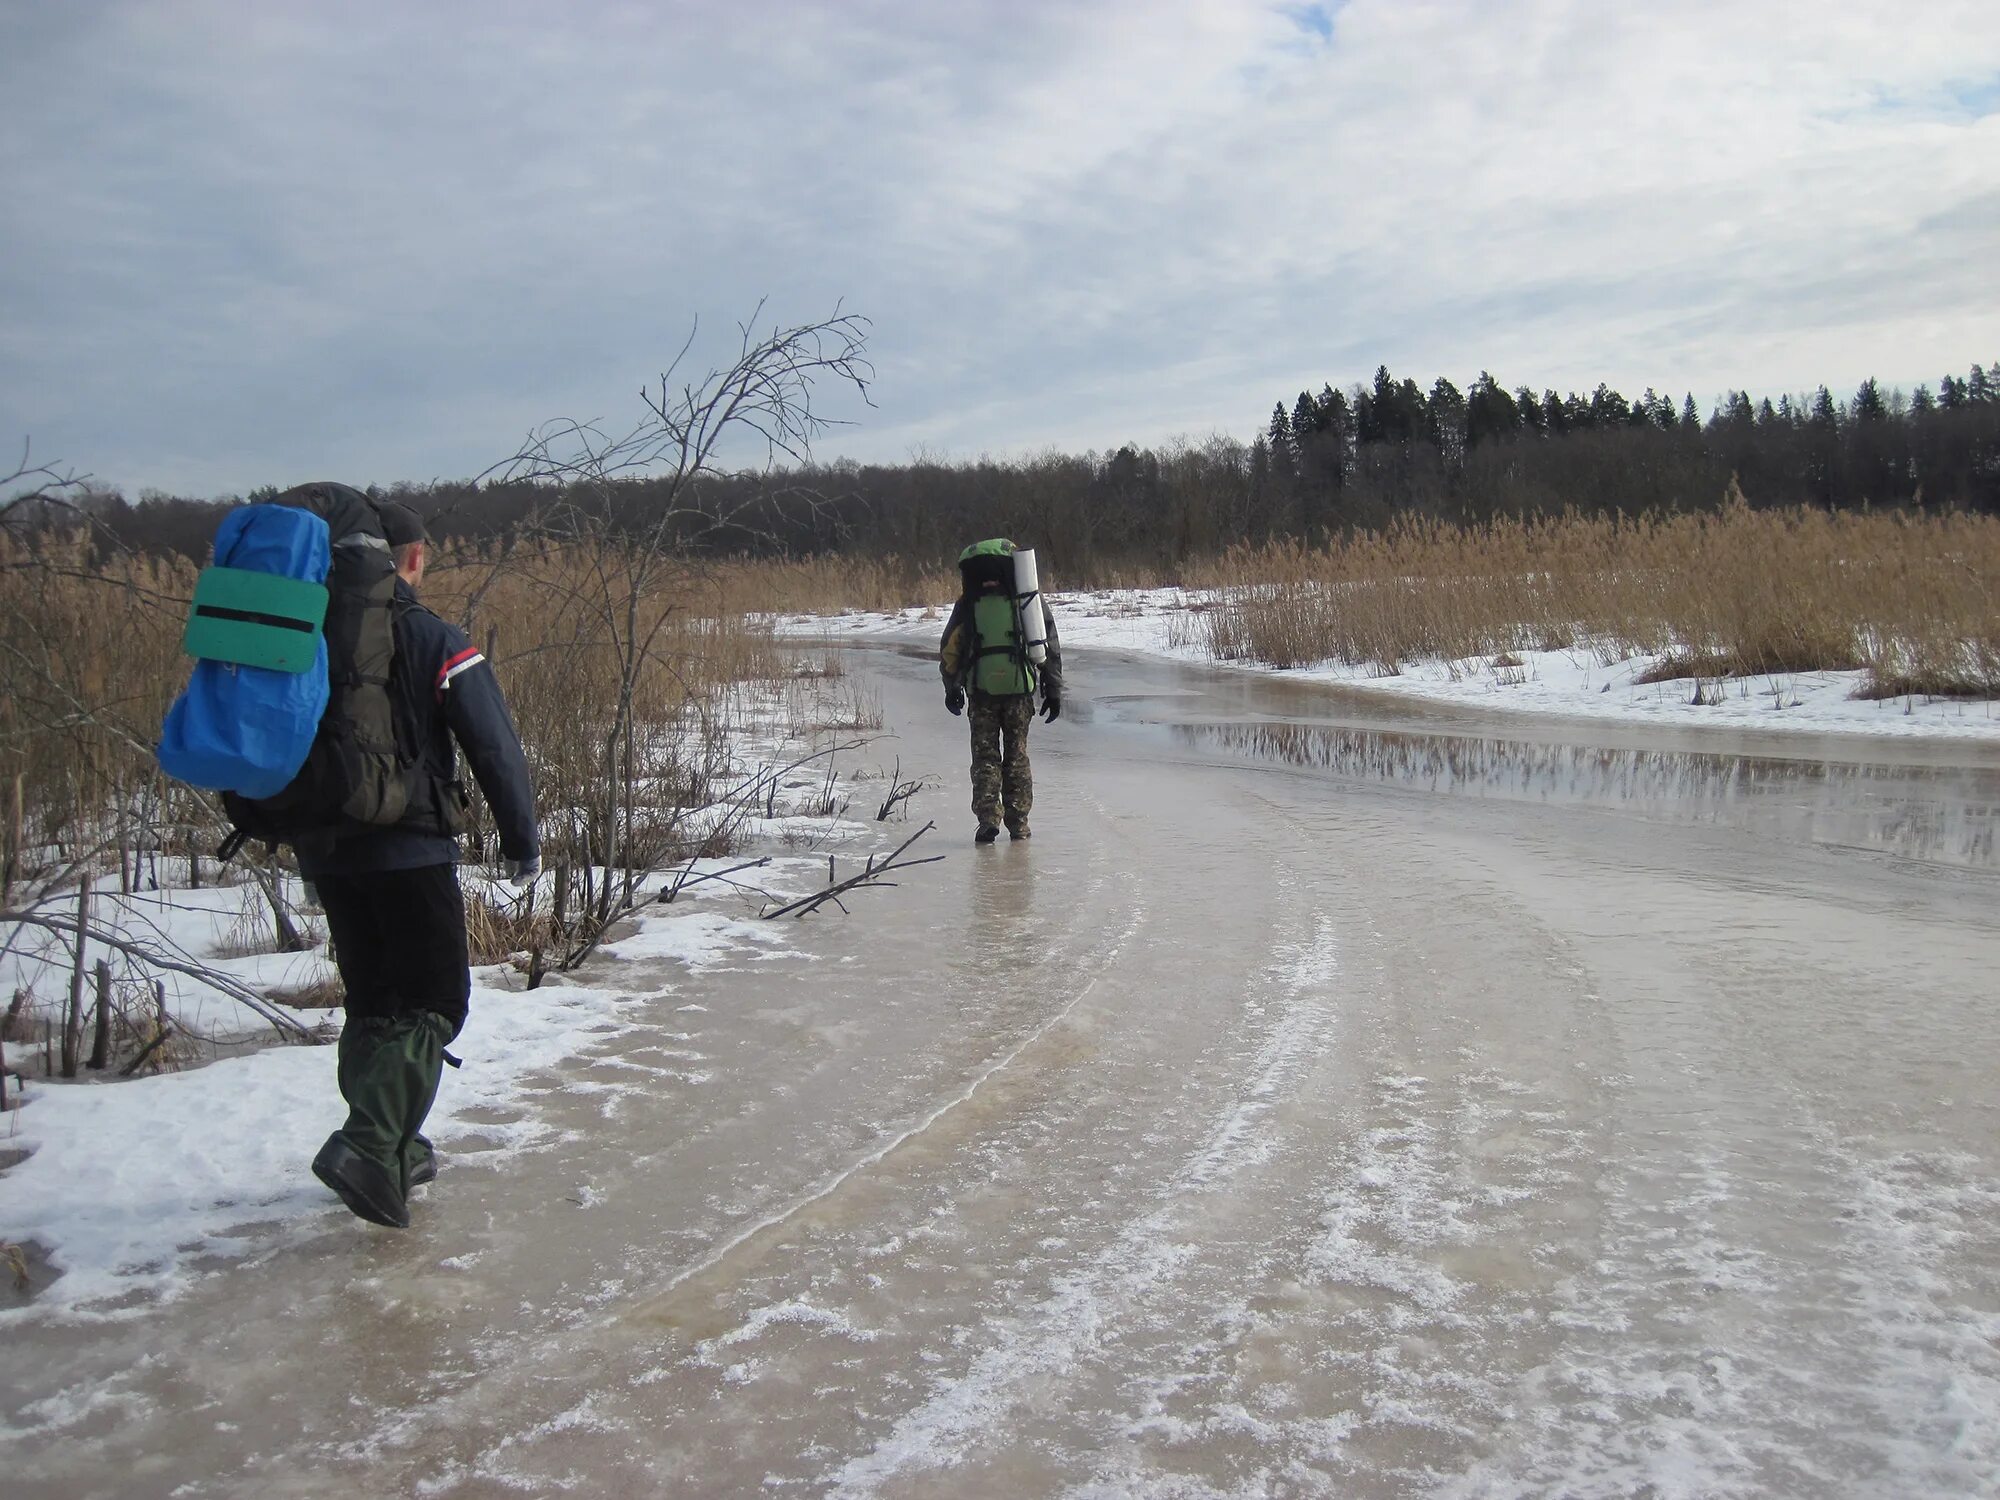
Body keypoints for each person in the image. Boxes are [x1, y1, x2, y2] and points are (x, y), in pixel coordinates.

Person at [304, 501, 539, 1229]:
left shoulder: (307, 634)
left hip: (331, 855)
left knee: (376, 1002)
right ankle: (369, 1144)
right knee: (437, 1002)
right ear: (407, 558)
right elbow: (492, 745)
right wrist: (521, 837)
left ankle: (396, 1148)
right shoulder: (431, 635)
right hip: (410, 849)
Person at [938, 539, 1062, 844]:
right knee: (1017, 755)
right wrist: (1053, 688)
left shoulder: (967, 604)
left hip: (981, 691)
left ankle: (987, 820)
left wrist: (951, 686)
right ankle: (1019, 824)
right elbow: (1048, 643)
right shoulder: (1026, 601)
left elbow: (950, 649)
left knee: (985, 757)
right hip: (1019, 690)